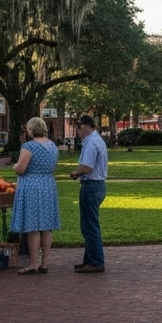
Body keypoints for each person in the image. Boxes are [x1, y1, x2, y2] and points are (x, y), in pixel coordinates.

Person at [11, 117, 60, 274]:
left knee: (33, 227)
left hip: (32, 187)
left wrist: (15, 166)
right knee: (46, 227)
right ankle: (45, 262)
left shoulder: (29, 146)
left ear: (31, 130)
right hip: (48, 185)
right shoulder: (52, 146)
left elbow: (21, 169)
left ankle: (33, 263)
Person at [68, 115, 108, 273]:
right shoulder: (98, 140)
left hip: (90, 185)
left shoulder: (91, 143)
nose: (77, 131)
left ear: (86, 126)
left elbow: (87, 167)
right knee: (90, 224)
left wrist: (75, 173)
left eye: (78, 127)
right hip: (98, 185)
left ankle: (96, 261)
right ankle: (89, 259)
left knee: (89, 226)